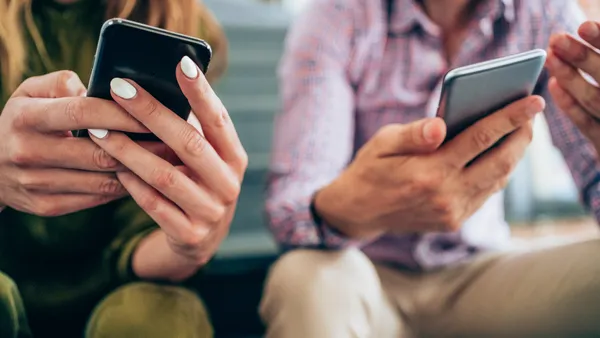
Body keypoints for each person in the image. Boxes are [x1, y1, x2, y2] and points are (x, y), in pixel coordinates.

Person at [261, 0, 600, 337]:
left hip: (482, 274)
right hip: (362, 275)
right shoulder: (336, 16)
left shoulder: (544, 11)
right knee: (301, 276)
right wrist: (350, 208)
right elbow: (289, 207)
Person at [0, 0, 247, 337]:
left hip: (122, 290)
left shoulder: (173, 17)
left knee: (154, 320)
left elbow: (143, 240)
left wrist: (191, 246)